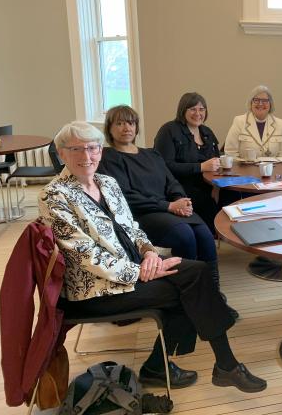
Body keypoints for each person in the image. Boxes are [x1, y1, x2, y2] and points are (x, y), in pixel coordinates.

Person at [39, 121, 266, 392]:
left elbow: (133, 226)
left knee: (196, 272)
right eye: (76, 149)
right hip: (93, 292)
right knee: (189, 286)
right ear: (62, 153)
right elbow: (85, 256)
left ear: (101, 151)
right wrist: (141, 271)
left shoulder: (107, 182)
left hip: (131, 271)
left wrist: (149, 254)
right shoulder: (54, 195)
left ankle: (211, 366)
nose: (86, 156)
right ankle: (196, 366)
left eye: (92, 148)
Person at [99, 105, 238, 319]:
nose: (126, 127)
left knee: (205, 236)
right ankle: (188, 297)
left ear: (136, 128)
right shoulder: (108, 158)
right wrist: (168, 206)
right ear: (110, 128)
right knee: (185, 236)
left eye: (130, 122)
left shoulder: (151, 154)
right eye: (119, 123)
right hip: (142, 214)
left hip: (170, 208)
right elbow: (125, 196)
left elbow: (171, 181)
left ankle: (212, 295)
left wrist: (180, 199)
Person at [154, 92, 221, 233]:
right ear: (183, 110)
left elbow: (217, 161)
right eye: (193, 109)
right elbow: (165, 166)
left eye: (202, 109)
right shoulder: (169, 130)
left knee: (232, 198)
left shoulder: (207, 132)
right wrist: (200, 167)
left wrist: (217, 186)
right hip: (180, 189)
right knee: (208, 211)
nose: (198, 113)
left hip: (208, 187)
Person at [224, 85, 282, 158]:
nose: (260, 104)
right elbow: (230, 153)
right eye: (256, 100)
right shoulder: (239, 121)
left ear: (270, 104)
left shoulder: (280, 124)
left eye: (265, 101)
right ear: (251, 103)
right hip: (245, 169)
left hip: (273, 169)